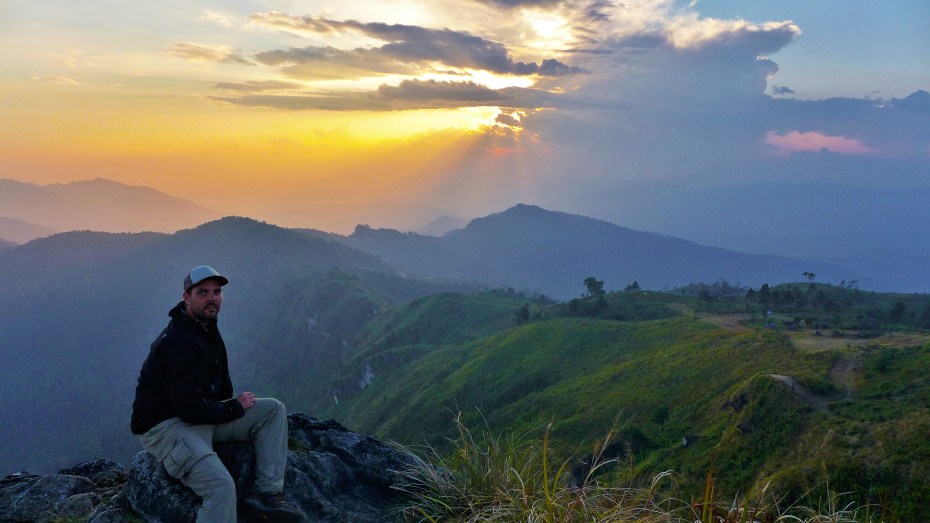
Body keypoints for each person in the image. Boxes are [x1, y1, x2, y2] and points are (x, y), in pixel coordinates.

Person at [131, 265, 302, 522]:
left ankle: (266, 495)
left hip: (201, 415)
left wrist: (228, 405)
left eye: (217, 292)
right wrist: (234, 408)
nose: (213, 298)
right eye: (203, 292)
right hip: (168, 426)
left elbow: (221, 387)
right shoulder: (178, 342)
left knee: (273, 410)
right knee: (221, 487)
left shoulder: (206, 327)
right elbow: (188, 409)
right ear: (186, 297)